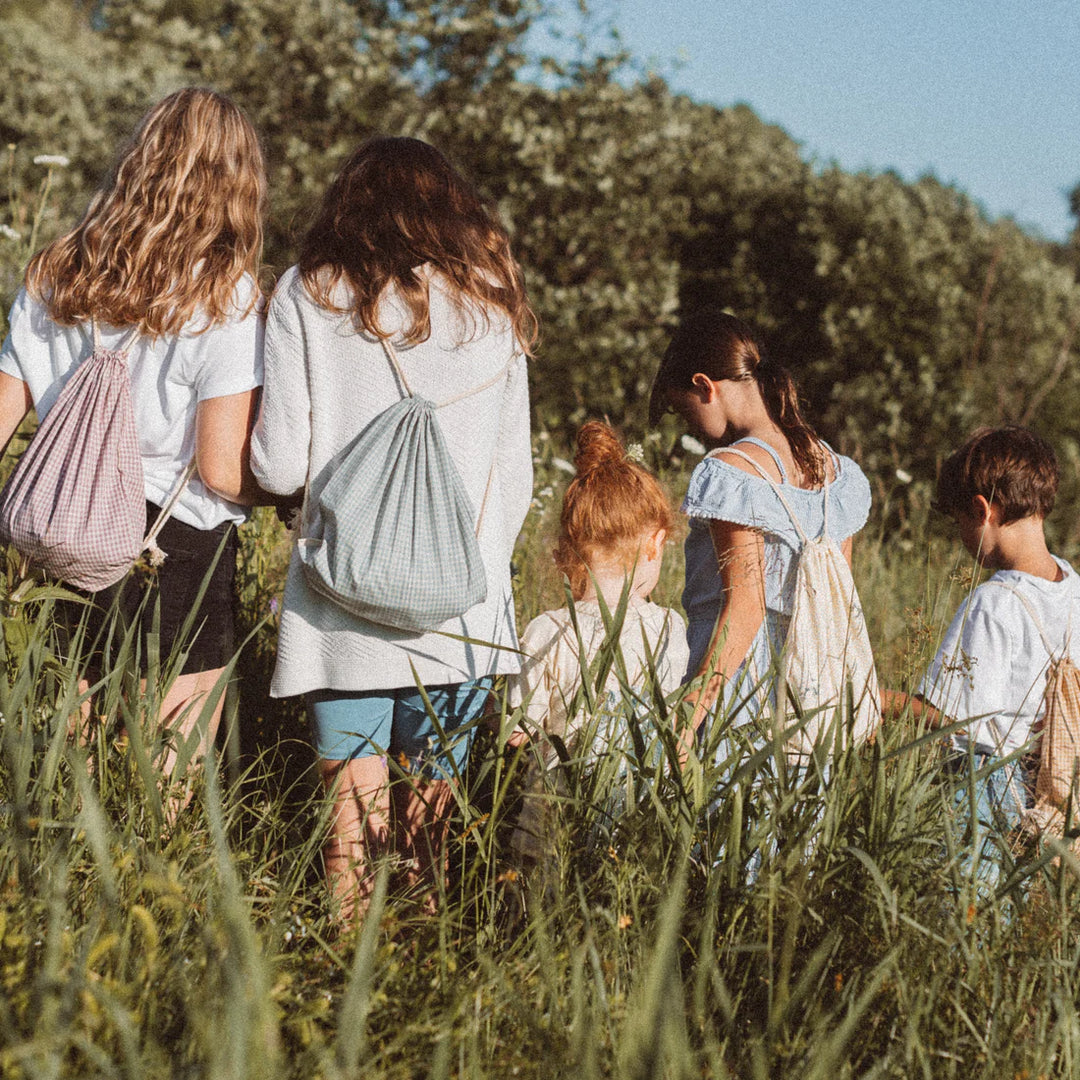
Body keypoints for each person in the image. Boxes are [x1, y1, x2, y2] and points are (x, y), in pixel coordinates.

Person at [250, 136, 537, 919]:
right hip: (463, 614)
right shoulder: (492, 307)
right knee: (425, 843)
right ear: (455, 211)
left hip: (342, 611)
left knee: (351, 840)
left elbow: (278, 465)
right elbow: (516, 481)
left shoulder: (306, 295)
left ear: (349, 204)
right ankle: (422, 987)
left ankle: (342, 987)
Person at [0, 88, 265, 795]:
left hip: (57, 529)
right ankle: (151, 876)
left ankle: (60, 882)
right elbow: (218, 465)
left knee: (63, 750)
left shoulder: (56, 269)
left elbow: (1, 417)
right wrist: (281, 493)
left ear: (137, 159)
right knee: (166, 774)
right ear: (237, 184)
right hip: (173, 543)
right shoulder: (226, 296)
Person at [647, 309, 873, 750]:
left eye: (683, 411)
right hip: (811, 684)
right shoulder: (834, 472)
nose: (690, 426)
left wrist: (690, 714)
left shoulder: (733, 473)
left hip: (742, 683)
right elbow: (838, 600)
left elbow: (745, 609)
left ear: (704, 386)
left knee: (726, 813)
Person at [884, 427, 1080, 877]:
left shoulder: (994, 601)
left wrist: (874, 699)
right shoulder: (1073, 591)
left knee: (964, 901)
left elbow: (954, 716)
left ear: (981, 510)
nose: (960, 537)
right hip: (1043, 784)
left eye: (959, 523)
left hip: (984, 785)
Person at [506, 420, 688, 860]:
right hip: (638, 822)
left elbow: (515, 733)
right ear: (655, 543)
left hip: (552, 828)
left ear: (566, 550)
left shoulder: (547, 631)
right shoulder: (668, 629)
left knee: (541, 921)